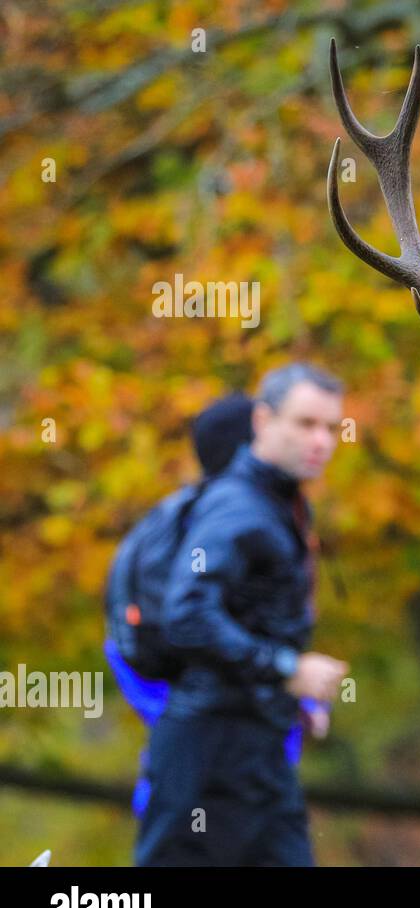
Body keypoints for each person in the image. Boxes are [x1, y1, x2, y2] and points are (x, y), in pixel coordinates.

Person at [134, 363, 350, 866]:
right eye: (304, 424)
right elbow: (186, 615)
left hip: (255, 752)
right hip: (209, 755)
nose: (321, 440)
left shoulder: (279, 503)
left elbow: (249, 619)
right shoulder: (239, 507)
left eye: (332, 428)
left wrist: (287, 689)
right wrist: (286, 668)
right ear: (262, 420)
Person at [104, 393, 328, 819]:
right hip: (200, 694)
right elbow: (201, 621)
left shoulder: (197, 512)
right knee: (196, 809)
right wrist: (288, 677)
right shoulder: (231, 519)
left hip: (171, 678)